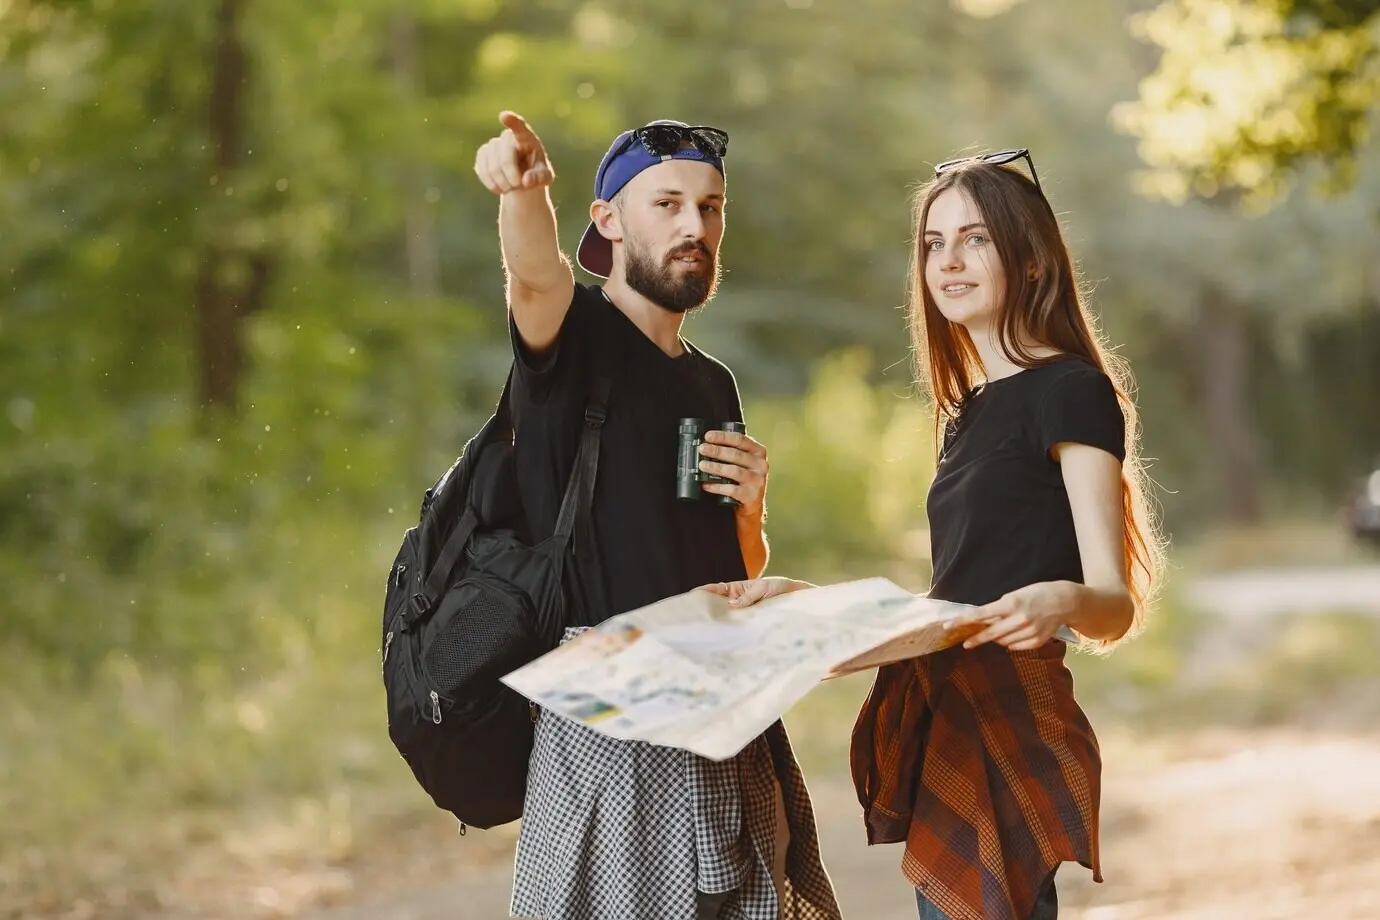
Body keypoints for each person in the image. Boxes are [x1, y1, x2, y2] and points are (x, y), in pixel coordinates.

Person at [705, 148, 1166, 920]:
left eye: (976, 239)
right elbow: (953, 599)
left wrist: (1062, 598)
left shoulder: (1073, 393)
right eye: (933, 243)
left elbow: (1112, 603)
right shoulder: (967, 409)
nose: (948, 261)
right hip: (944, 709)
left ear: (1029, 260)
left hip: (1012, 713)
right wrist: (810, 605)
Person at [471, 112, 842, 920]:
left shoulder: (714, 385)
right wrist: (523, 188)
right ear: (607, 221)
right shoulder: (575, 342)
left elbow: (727, 576)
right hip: (612, 733)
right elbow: (533, 275)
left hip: (720, 721)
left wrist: (752, 514)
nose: (693, 225)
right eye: (667, 203)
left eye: (710, 207)